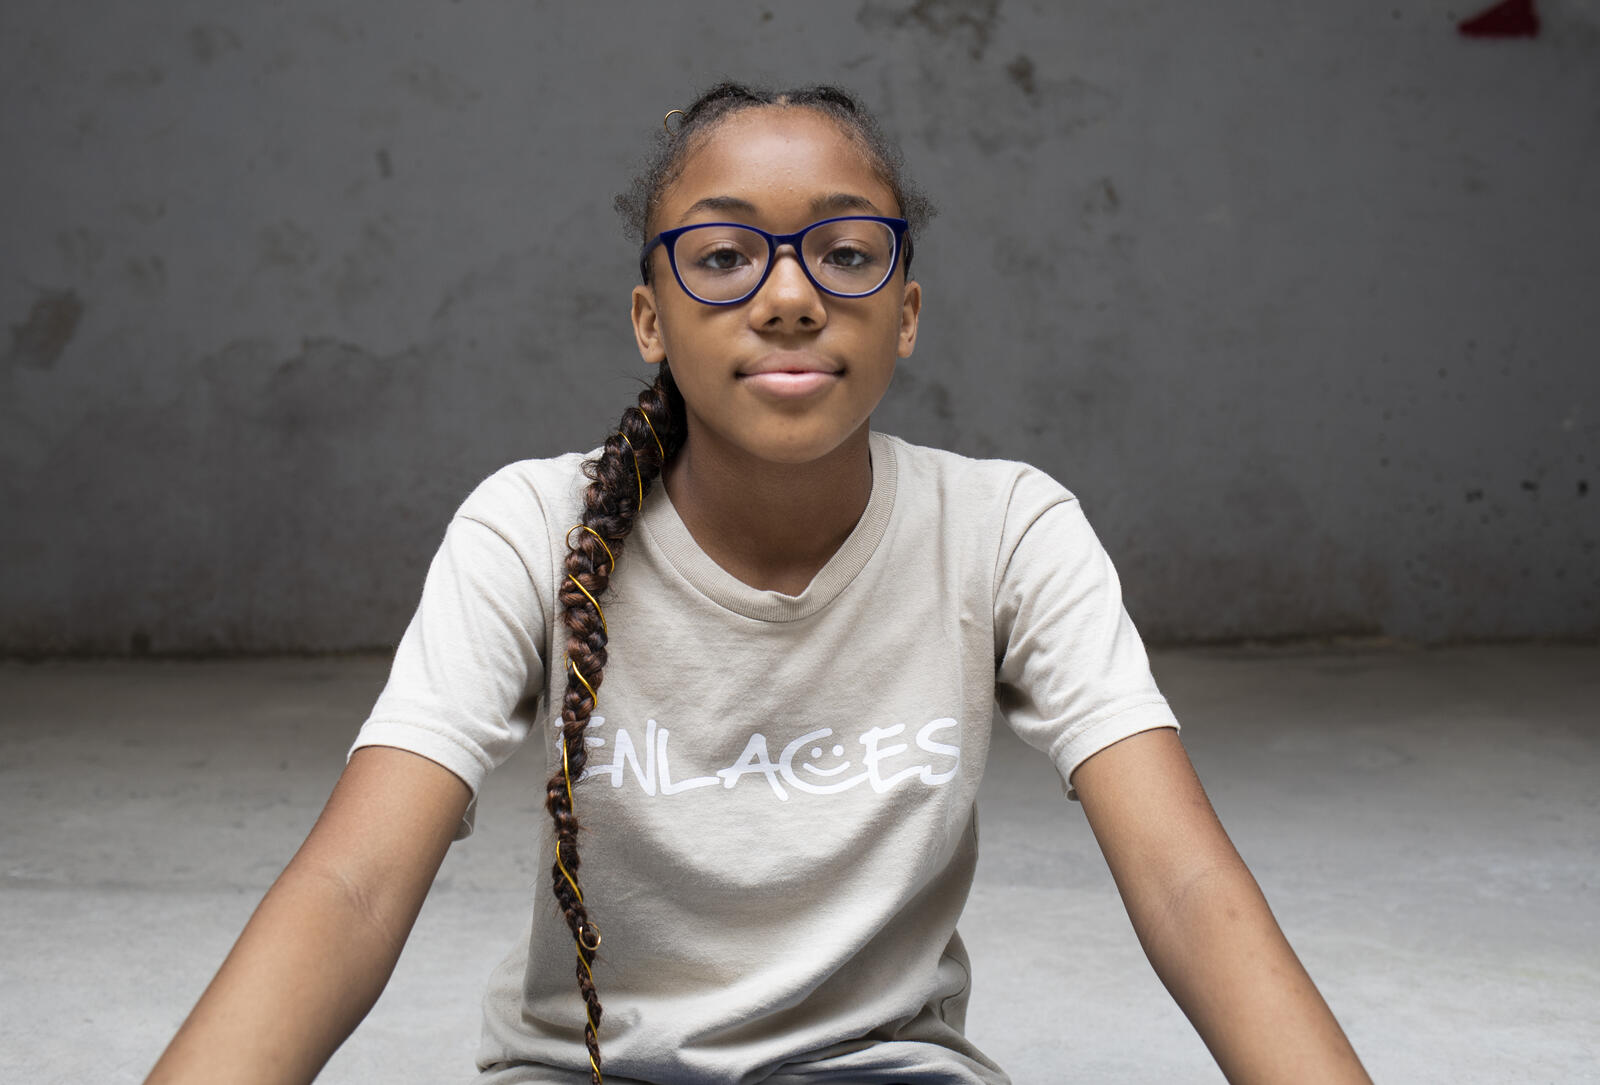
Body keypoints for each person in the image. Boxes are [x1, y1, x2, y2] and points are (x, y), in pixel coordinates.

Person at [145, 82, 1370, 1085]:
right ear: (650, 318)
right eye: (725, 254)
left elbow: (1185, 881)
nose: (789, 297)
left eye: (846, 253)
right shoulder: (527, 528)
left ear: (905, 313)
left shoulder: (1007, 529)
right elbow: (352, 885)